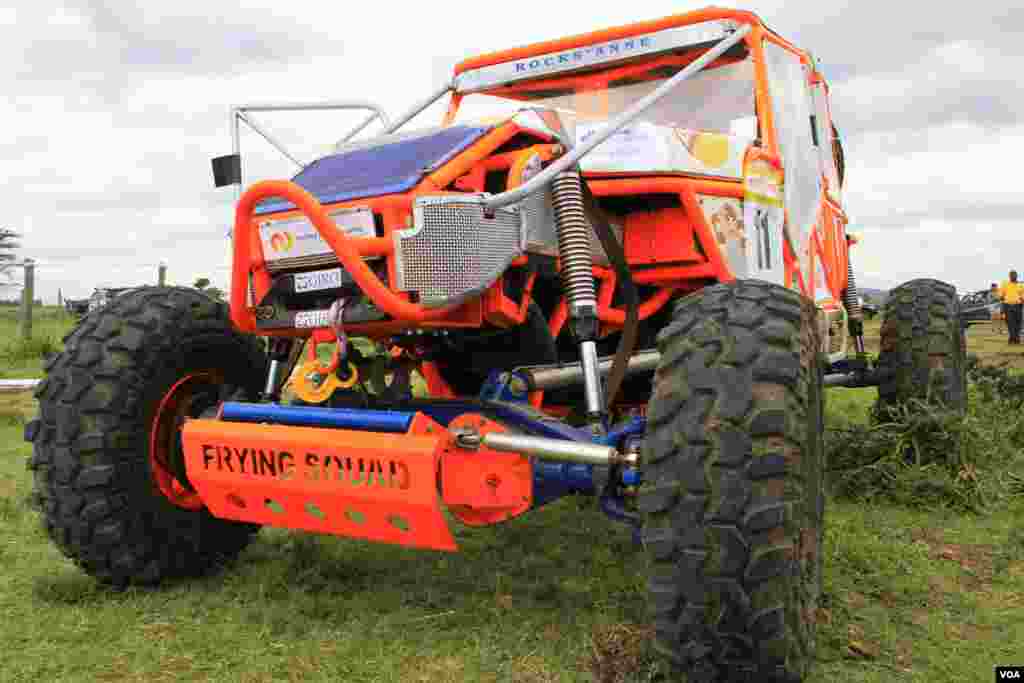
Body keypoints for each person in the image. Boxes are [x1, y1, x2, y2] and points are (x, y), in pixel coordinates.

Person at [998, 271, 1023, 344]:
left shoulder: (1020, 285)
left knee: (1018, 323)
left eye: (1014, 275)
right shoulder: (1005, 284)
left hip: (1018, 306)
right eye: (1011, 275)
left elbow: (1022, 296)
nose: (1013, 276)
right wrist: (1002, 299)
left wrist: (1021, 300)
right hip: (1007, 306)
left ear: (1017, 276)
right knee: (1010, 323)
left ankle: (1016, 337)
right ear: (1009, 276)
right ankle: (1013, 337)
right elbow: (1001, 295)